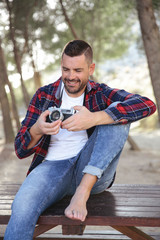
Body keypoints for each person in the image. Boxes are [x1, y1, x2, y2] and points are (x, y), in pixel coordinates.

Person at [4, 39, 156, 240]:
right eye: (65, 70)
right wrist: (38, 129)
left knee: (118, 114)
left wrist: (93, 118)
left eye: (77, 70)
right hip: (51, 168)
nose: (70, 77)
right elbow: (20, 149)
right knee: (21, 206)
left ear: (90, 68)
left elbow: (147, 105)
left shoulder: (100, 93)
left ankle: (81, 193)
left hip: (93, 172)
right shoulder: (44, 95)